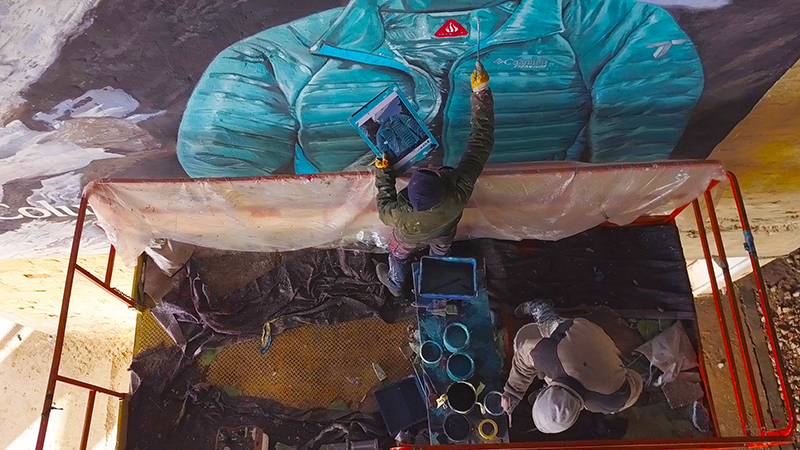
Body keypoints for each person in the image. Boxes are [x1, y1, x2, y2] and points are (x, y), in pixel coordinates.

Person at [373, 61, 492, 297]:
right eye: (433, 171)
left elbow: (384, 202)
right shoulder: (459, 191)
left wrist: (383, 172)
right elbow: (482, 142)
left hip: (409, 236)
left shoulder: (398, 214)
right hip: (443, 233)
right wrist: (481, 92)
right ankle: (435, 280)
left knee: (398, 253)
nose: (430, 165)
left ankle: (396, 282)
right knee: (440, 253)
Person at [502, 300, 643, 434]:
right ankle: (541, 309)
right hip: (581, 331)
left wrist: (611, 372)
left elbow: (636, 378)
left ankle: (541, 308)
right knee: (553, 329)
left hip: (594, 334)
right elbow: (523, 358)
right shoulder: (548, 355)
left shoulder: (610, 402)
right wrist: (512, 393)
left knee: (555, 336)